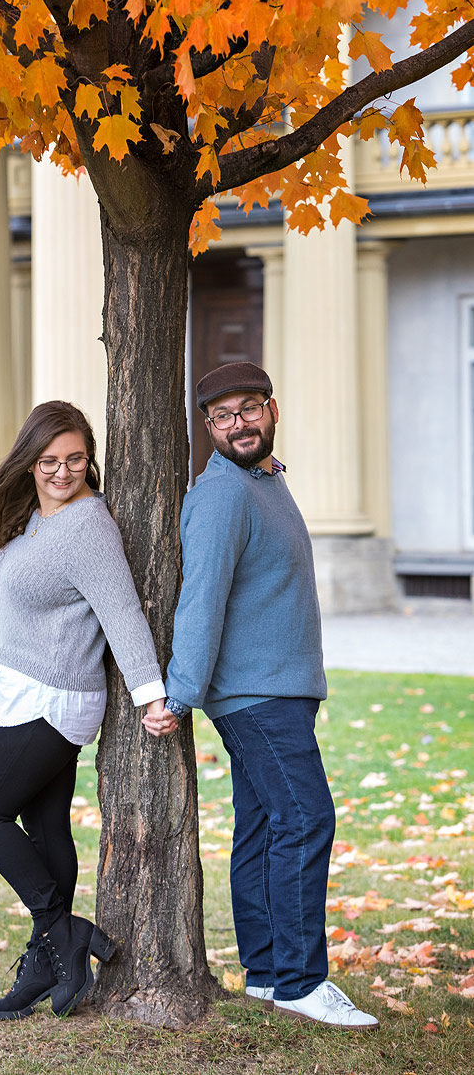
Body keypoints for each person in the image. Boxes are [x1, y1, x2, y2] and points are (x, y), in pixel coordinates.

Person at [143, 361, 379, 1032]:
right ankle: (303, 981)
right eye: (221, 416)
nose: (237, 424)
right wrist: (182, 691)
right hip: (253, 695)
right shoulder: (221, 495)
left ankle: (271, 974)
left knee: (265, 824)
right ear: (207, 428)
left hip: (277, 690)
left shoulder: (265, 481)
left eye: (247, 409)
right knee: (305, 819)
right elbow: (200, 599)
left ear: (271, 410)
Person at [0, 400, 168, 1021]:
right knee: (46, 828)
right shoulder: (34, 519)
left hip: (55, 697)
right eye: (49, 460)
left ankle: (62, 930)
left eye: (76, 459)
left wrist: (150, 693)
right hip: (33, 689)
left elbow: (123, 612)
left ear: (90, 460)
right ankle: (46, 963)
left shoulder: (87, 526)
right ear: (30, 462)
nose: (62, 471)